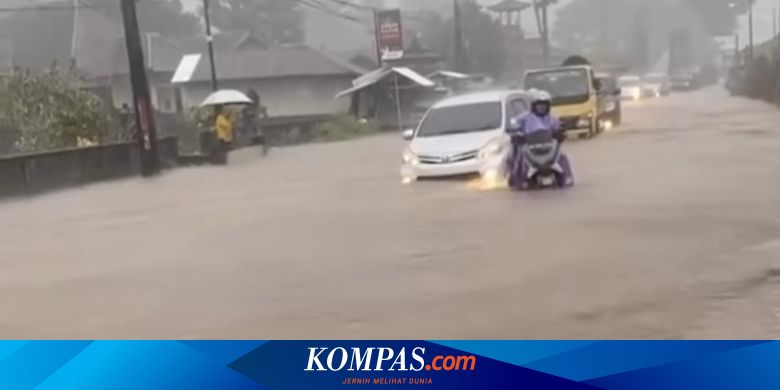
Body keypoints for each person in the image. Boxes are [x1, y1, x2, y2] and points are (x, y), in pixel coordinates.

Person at [507, 89, 574, 189]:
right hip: (529, 146)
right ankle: (519, 179)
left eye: (544, 105)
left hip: (548, 147)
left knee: (562, 156)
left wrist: (560, 132)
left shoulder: (552, 119)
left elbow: (559, 128)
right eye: (539, 105)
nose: (542, 108)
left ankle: (567, 177)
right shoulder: (524, 118)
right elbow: (513, 124)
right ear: (533, 106)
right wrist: (516, 133)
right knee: (519, 157)